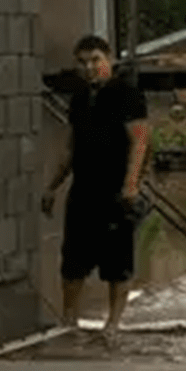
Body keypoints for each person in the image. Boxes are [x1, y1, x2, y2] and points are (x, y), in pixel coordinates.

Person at [41, 35, 150, 335]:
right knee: (72, 260)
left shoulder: (127, 94)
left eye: (95, 60)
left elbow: (140, 141)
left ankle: (113, 324)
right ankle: (69, 320)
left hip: (115, 192)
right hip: (83, 190)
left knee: (117, 261)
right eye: (82, 62)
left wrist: (130, 185)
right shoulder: (79, 99)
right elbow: (70, 148)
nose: (89, 67)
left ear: (109, 59)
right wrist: (52, 186)